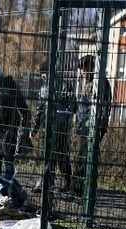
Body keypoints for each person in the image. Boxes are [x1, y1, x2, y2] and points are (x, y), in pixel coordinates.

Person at [29, 61, 75, 194]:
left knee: (61, 156)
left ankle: (67, 182)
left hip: (60, 127)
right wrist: (34, 129)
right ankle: (48, 181)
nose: (43, 76)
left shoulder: (65, 86)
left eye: (44, 73)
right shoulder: (43, 89)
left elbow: (71, 107)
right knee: (47, 155)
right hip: (46, 128)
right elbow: (39, 110)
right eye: (42, 74)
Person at [72, 54, 112, 198]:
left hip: (93, 128)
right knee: (83, 158)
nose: (82, 71)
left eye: (84, 67)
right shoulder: (88, 83)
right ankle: (81, 190)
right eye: (81, 68)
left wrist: (96, 127)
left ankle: (80, 191)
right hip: (84, 127)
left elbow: (104, 108)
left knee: (85, 159)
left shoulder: (100, 84)